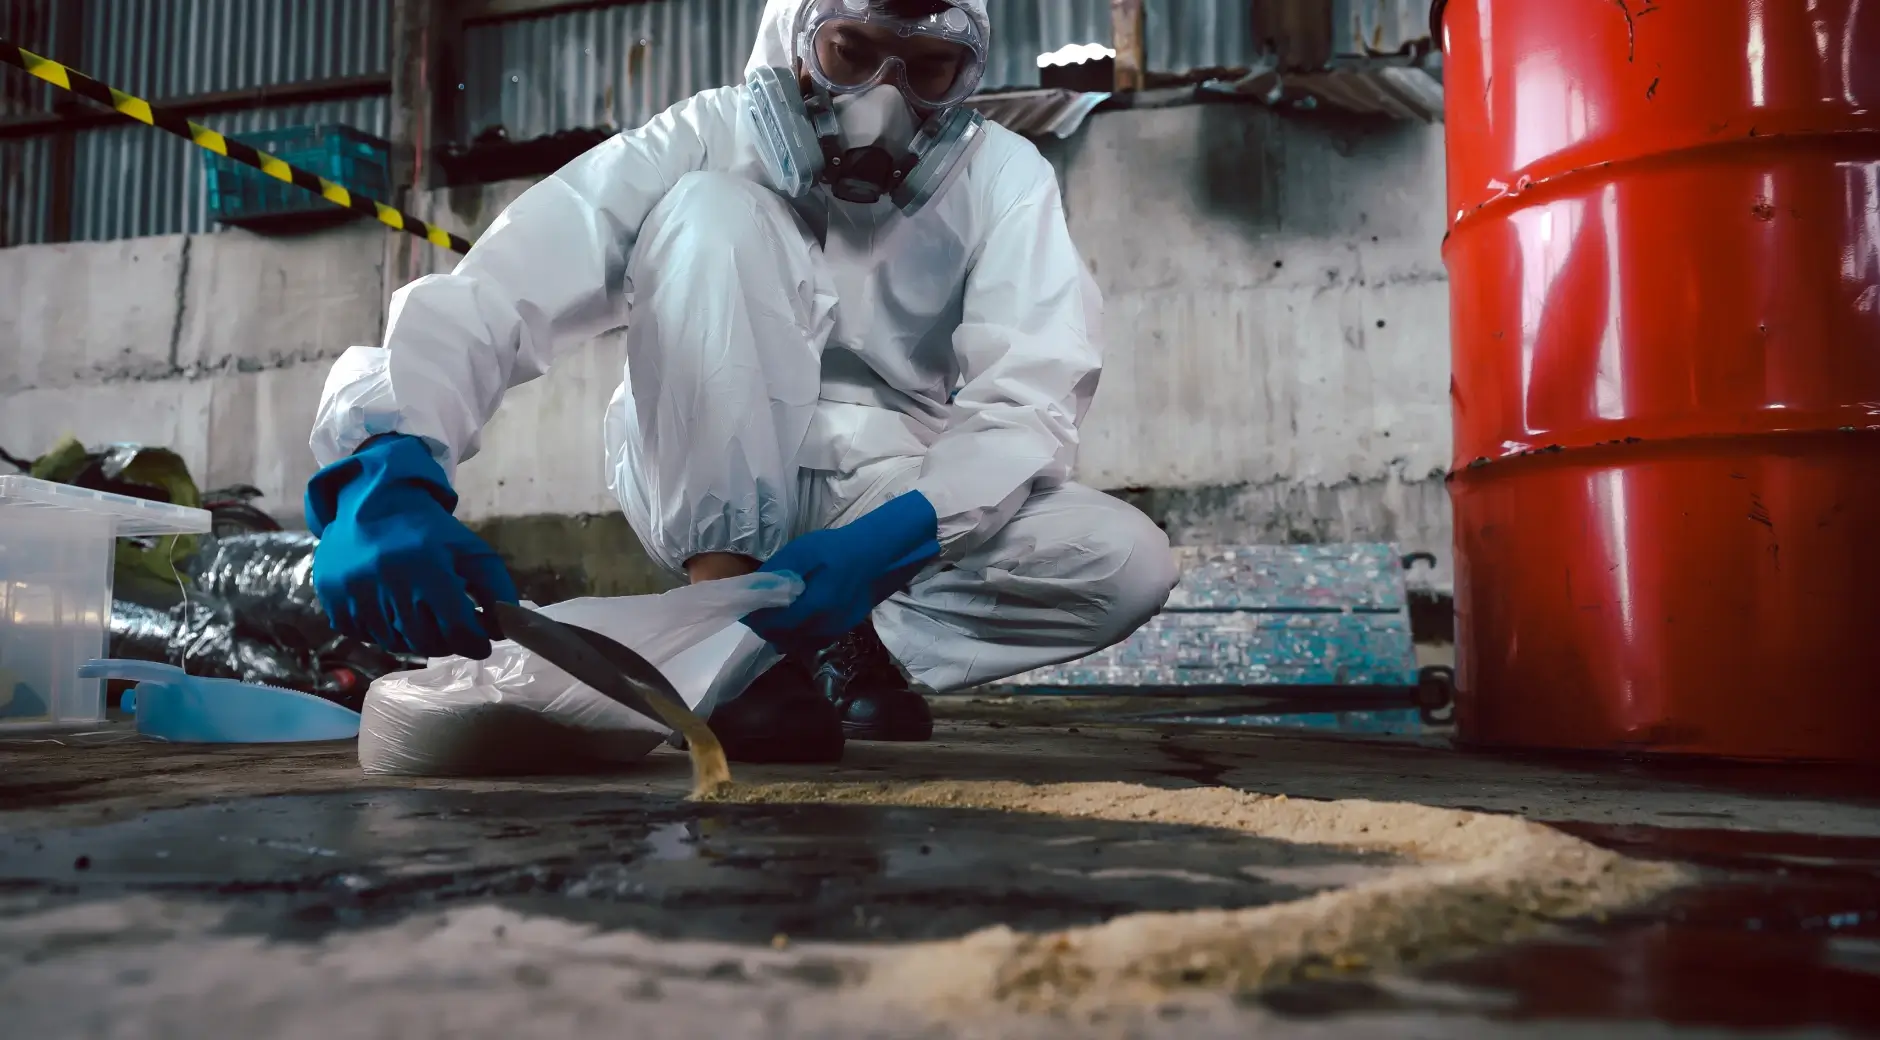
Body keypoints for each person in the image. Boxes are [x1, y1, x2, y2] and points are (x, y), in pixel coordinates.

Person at [304, 0, 1178, 764]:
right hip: (710, 470)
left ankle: (840, 644)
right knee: (710, 209)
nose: (883, 101)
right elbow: (502, 288)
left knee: (1123, 562)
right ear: (796, 33)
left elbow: (1029, 394)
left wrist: (897, 539)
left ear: (966, 72)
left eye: (927, 68)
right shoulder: (704, 137)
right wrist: (388, 465)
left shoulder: (1003, 176)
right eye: (852, 52)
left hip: (894, 498)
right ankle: (728, 614)